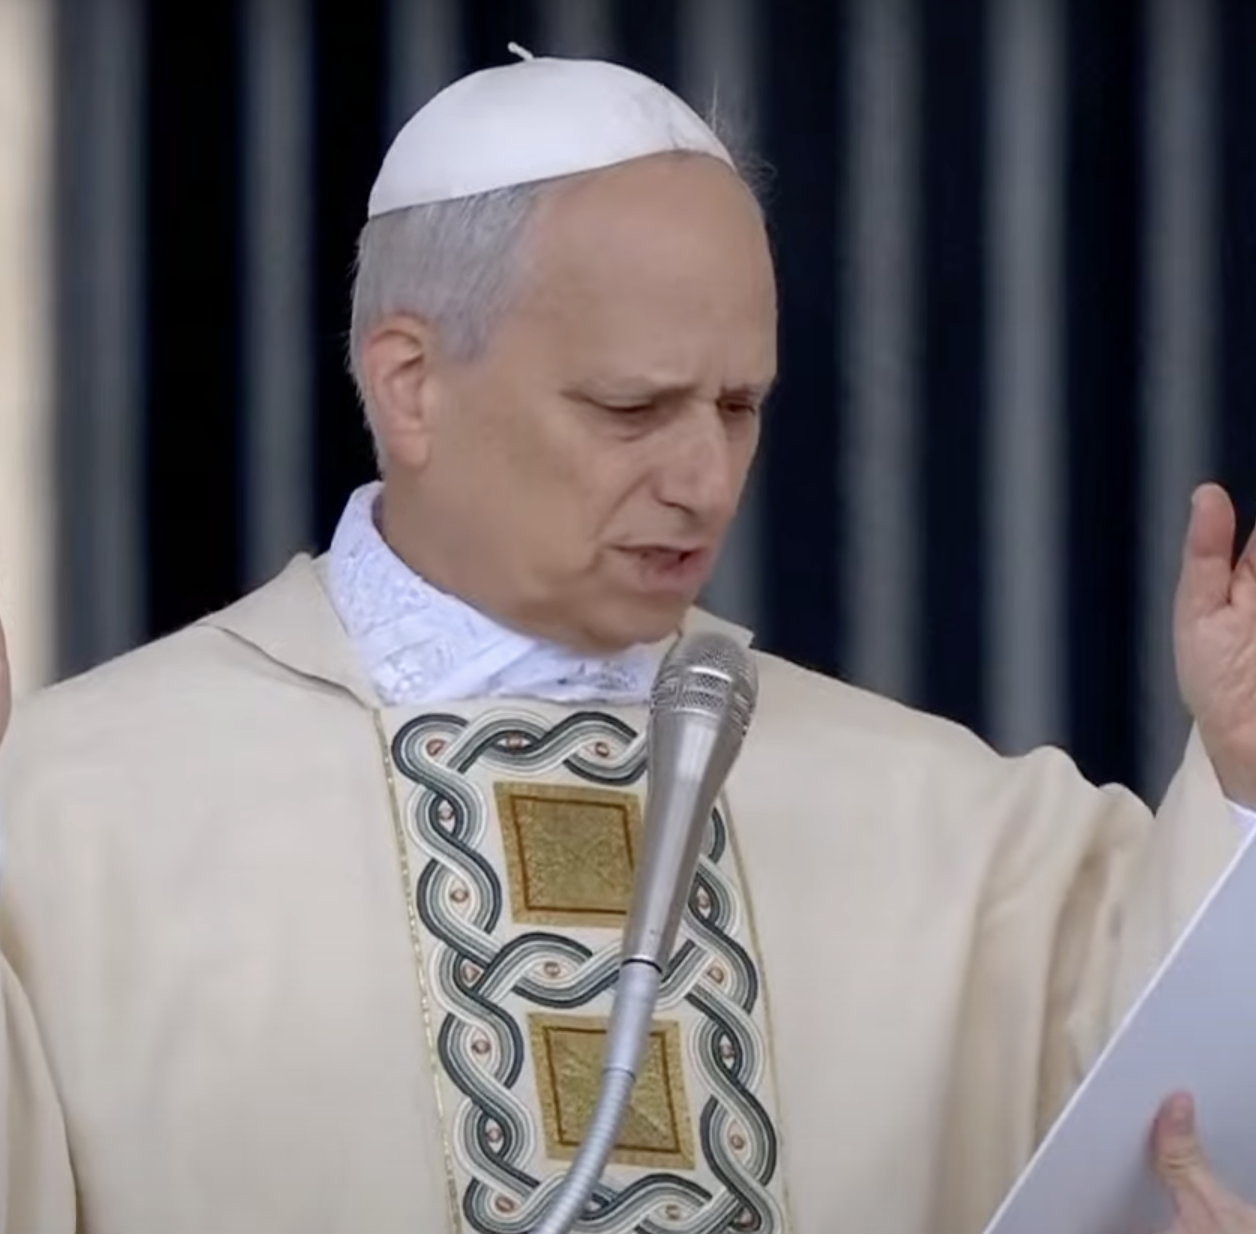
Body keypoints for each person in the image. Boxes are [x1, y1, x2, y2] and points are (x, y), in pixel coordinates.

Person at [0, 51, 1253, 1234]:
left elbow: (1161, 1095)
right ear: (409, 383)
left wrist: (1244, 779)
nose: (704, 478)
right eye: (630, 408)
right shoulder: (73, 809)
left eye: (737, 405)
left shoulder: (956, 832)